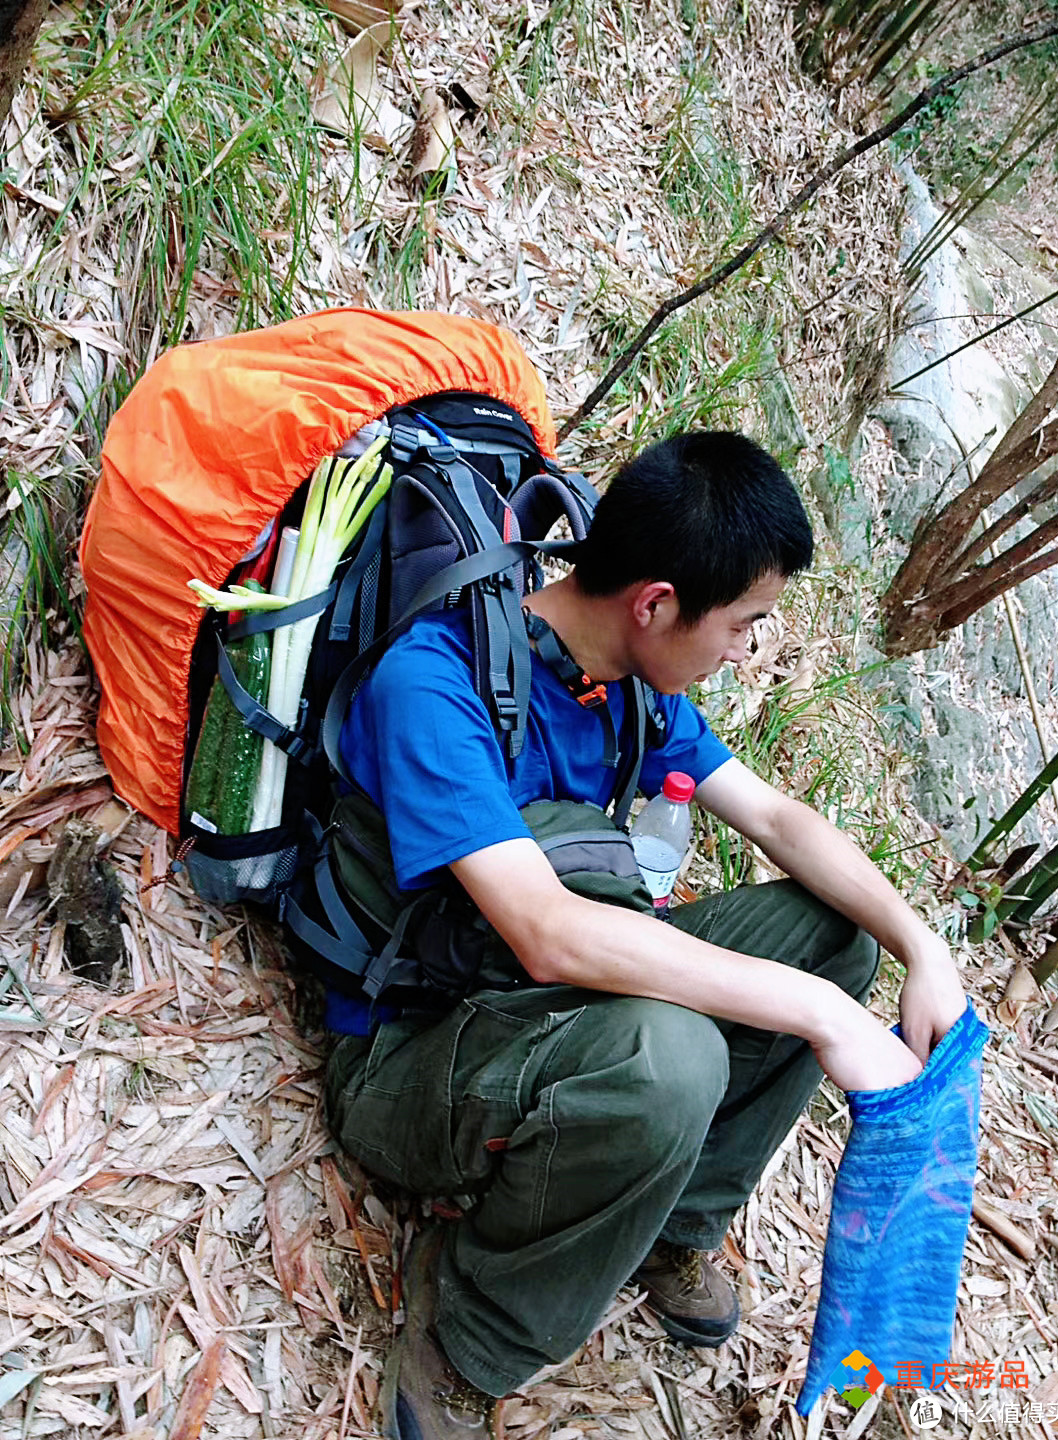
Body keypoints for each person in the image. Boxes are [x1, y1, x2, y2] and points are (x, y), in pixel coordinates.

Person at [322, 430, 967, 1440]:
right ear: (656, 603)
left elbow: (782, 823)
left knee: (835, 934)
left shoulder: (620, 682)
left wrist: (922, 947)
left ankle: (667, 1224)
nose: (749, 650)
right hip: (412, 1053)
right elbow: (545, 933)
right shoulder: (439, 681)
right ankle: (468, 1338)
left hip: (534, 1009)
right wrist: (825, 1017)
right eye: (745, 623)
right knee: (668, 1061)